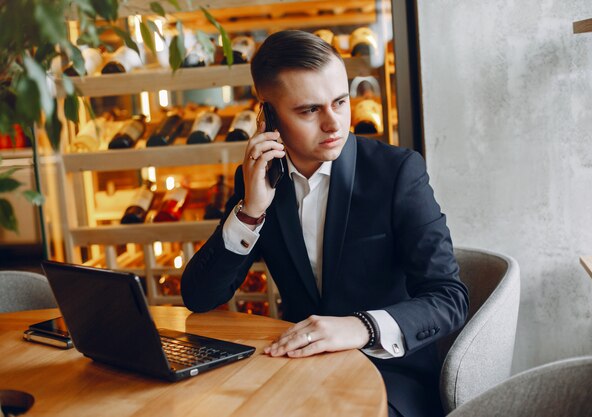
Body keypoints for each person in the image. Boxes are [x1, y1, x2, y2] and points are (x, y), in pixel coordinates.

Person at [181, 30, 469, 417]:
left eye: (340, 102)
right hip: (298, 373)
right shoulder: (259, 180)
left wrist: (360, 326)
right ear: (268, 116)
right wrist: (250, 210)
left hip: (391, 378)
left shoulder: (398, 172)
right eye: (310, 110)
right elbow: (199, 296)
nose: (334, 123)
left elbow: (449, 298)